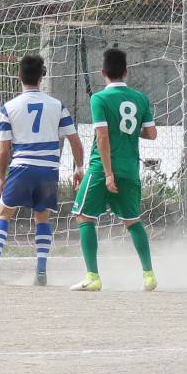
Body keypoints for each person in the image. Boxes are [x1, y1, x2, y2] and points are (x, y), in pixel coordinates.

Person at [0, 54, 84, 286]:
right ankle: (40, 269)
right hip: (48, 170)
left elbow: (4, 149)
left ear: (19, 77)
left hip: (21, 167)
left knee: (4, 214)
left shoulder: (9, 107)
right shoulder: (57, 105)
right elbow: (75, 142)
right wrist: (79, 167)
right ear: (42, 77)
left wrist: (1, 177)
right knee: (42, 218)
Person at [70, 48, 158, 293]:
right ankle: (149, 275)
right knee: (132, 221)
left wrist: (108, 173)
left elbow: (102, 136)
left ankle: (92, 277)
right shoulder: (140, 98)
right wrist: (128, 133)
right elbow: (152, 133)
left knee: (84, 216)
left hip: (102, 168)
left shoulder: (99, 99)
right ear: (126, 72)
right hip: (130, 167)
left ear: (102, 73)